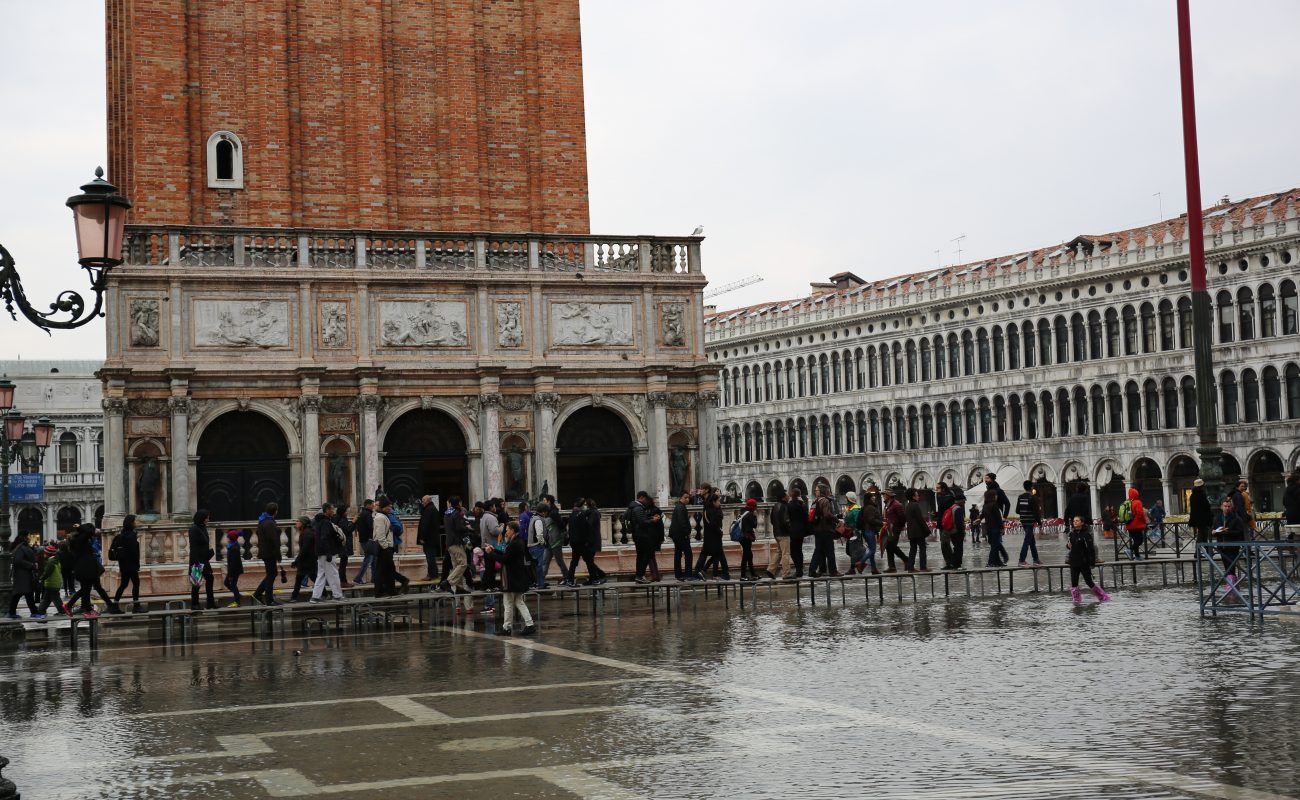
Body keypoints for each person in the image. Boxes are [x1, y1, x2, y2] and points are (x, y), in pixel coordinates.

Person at [483, 521, 536, 636]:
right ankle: (530, 624)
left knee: (508, 603)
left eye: (507, 530)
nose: (506, 532)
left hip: (511, 579)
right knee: (519, 602)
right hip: (516, 577)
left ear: (512, 530)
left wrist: (490, 554)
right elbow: (506, 554)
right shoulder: (517, 542)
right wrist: (493, 550)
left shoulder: (515, 543)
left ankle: (507, 627)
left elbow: (505, 559)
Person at [70, 524, 121, 616]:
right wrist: (80, 527)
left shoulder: (82, 540)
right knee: (86, 589)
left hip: (89, 568)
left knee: (89, 589)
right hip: (87, 569)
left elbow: (89, 533)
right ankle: (83, 608)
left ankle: (89, 607)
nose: (93, 531)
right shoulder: (81, 540)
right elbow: (89, 532)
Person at [1066, 515, 1109, 603]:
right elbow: (1069, 545)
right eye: (1074, 521)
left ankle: (1103, 596)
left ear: (1082, 523)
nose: (1075, 522)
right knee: (1074, 583)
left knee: (1089, 582)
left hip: (1084, 562)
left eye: (1077, 521)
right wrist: (1067, 546)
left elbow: (1091, 549)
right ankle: (1076, 600)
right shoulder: (1071, 534)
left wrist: (1092, 563)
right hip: (1073, 562)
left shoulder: (1086, 534)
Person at [1214, 496, 1248, 604]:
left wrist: (1227, 532)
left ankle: (1231, 588)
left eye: (1229, 506)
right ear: (1221, 507)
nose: (1227, 508)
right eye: (1225, 506)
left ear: (1231, 507)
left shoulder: (1236, 518)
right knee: (1227, 566)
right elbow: (1213, 528)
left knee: (1231, 566)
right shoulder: (1218, 518)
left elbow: (1239, 532)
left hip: (1232, 546)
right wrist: (1214, 532)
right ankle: (1233, 585)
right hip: (1221, 546)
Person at [567, 498, 607, 585]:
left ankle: (595, 577)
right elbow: (585, 528)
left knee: (583, 561)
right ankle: (597, 577)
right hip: (582, 542)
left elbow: (585, 528)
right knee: (587, 561)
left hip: (580, 542)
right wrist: (586, 541)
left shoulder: (575, 514)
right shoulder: (580, 514)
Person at [311, 503, 345, 603]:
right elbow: (324, 538)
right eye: (332, 509)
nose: (333, 512)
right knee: (333, 574)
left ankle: (315, 597)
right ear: (327, 510)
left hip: (321, 552)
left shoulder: (319, 522)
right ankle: (337, 595)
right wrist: (328, 552)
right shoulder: (326, 522)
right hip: (326, 552)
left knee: (321, 574)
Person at [628, 491, 664, 584]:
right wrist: (653, 520)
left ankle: (639, 576)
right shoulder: (638, 508)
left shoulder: (632, 507)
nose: (646, 501)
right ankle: (640, 575)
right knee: (647, 555)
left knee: (641, 556)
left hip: (638, 535)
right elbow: (642, 522)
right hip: (642, 535)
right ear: (642, 498)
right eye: (645, 498)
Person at [110, 516, 143, 613]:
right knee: (136, 583)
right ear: (131, 523)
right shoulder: (131, 535)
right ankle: (136, 606)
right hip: (131, 564)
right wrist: (137, 564)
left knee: (123, 584)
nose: (136, 522)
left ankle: (115, 604)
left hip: (124, 564)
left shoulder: (123, 534)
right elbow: (133, 551)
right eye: (135, 521)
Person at [693, 494, 729, 580]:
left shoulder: (707, 510)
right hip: (714, 536)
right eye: (718, 501)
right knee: (720, 554)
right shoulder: (713, 511)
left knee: (716, 555)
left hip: (709, 536)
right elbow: (714, 524)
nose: (720, 503)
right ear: (713, 502)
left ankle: (703, 571)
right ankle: (725, 574)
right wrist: (720, 531)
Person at [6, 532, 41, 620]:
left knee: (21, 594)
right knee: (25, 593)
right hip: (23, 574)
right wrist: (31, 565)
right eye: (28, 535)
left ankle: (12, 612)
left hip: (23, 574)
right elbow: (18, 560)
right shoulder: (21, 547)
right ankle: (33, 612)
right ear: (25, 537)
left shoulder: (21, 546)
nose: (30, 537)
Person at [253, 503, 282, 606]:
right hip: (270, 553)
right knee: (271, 575)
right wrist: (278, 555)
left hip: (267, 553)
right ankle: (268, 599)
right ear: (275, 511)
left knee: (271, 574)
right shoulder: (269, 523)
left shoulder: (263, 521)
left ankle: (258, 593)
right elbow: (273, 540)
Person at [808, 484, 839, 577]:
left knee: (819, 550)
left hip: (817, 529)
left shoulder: (815, 501)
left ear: (820, 491)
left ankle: (815, 570)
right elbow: (827, 515)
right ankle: (833, 571)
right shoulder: (825, 501)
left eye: (817, 490)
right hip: (825, 529)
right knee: (830, 551)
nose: (815, 491)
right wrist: (836, 520)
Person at [187, 510, 217, 610]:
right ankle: (194, 604)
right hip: (197, 561)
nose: (208, 520)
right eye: (207, 518)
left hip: (204, 560)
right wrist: (196, 563)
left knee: (210, 579)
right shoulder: (194, 529)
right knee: (196, 583)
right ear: (202, 518)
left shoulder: (202, 528)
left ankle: (210, 603)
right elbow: (194, 547)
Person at [882, 486, 910, 572]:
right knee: (888, 546)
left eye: (884, 494)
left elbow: (902, 518)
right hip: (888, 529)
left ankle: (906, 559)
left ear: (889, 495)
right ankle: (892, 566)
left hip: (895, 529)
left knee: (891, 545)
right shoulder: (887, 504)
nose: (883, 496)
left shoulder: (897, 505)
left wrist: (897, 527)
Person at [1015, 481, 1044, 567]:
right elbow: (1036, 512)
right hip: (1030, 521)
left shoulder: (1020, 497)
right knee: (1027, 540)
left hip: (1023, 520)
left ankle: (1036, 559)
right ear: (1031, 487)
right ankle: (1021, 560)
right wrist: (1039, 523)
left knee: (1031, 541)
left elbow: (1017, 510)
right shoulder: (1032, 498)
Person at [373, 499, 397, 597]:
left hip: (386, 548)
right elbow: (380, 535)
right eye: (389, 506)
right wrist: (386, 547)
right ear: (384, 507)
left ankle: (387, 591)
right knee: (385, 570)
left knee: (386, 570)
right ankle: (383, 591)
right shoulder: (380, 517)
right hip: (384, 549)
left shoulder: (384, 516)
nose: (390, 508)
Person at [36, 543, 69, 616]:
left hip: (51, 583)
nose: (44, 554)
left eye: (45, 553)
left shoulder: (50, 562)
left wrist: (41, 579)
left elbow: (47, 573)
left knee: (54, 599)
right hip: (55, 582)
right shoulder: (56, 561)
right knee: (47, 598)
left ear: (47, 554)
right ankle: (41, 610)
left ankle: (62, 611)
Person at [765, 490, 792, 579]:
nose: (789, 497)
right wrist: (790, 528)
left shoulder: (775, 506)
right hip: (784, 533)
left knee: (779, 552)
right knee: (786, 553)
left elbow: (772, 520)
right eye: (787, 495)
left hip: (776, 533)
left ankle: (770, 570)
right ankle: (786, 573)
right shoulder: (784, 506)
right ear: (783, 497)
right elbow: (786, 521)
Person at [289, 516, 316, 602]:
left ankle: (294, 597)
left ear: (303, 523)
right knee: (312, 577)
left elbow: (305, 549)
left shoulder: (307, 533)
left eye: (298, 521)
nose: (296, 523)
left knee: (301, 578)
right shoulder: (306, 532)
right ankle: (324, 593)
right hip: (308, 560)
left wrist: (297, 561)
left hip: (307, 560)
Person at [669, 492, 695, 581]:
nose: (687, 499)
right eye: (685, 497)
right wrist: (687, 532)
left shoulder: (679, 506)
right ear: (681, 498)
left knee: (678, 554)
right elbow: (682, 521)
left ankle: (678, 574)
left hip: (676, 534)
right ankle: (688, 574)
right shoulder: (681, 507)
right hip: (681, 534)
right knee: (688, 554)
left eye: (688, 497)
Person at [904, 488, 929, 572]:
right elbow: (920, 519)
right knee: (922, 548)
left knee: (913, 549)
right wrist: (927, 530)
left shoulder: (908, 506)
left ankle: (910, 567)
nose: (918, 496)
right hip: (918, 531)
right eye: (917, 495)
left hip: (911, 531)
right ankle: (923, 566)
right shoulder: (915, 505)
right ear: (913, 497)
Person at [416, 494, 441, 581]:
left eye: (423, 501)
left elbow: (425, 525)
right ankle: (434, 573)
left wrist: (422, 537)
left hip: (429, 538)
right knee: (431, 557)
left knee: (430, 557)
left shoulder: (429, 510)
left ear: (427, 501)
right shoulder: (432, 509)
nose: (422, 503)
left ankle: (432, 575)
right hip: (432, 538)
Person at [353, 498, 376, 585]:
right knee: (368, 559)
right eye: (372, 504)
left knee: (373, 558)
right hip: (367, 540)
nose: (373, 506)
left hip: (364, 539)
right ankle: (357, 579)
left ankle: (374, 578)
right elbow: (371, 527)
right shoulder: (367, 514)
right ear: (368, 505)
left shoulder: (362, 513)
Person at [786, 487, 808, 578]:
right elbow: (806, 517)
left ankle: (798, 570)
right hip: (801, 530)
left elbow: (787, 517)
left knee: (793, 551)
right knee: (799, 550)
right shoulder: (802, 504)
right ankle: (800, 570)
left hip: (793, 530)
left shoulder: (789, 505)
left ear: (792, 495)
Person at [982, 490, 1007, 568]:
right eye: (995, 495)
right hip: (995, 528)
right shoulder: (994, 505)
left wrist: (979, 518)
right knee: (994, 546)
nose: (996, 497)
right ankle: (991, 562)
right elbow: (998, 518)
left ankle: (998, 562)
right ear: (992, 496)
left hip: (989, 528)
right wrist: (1002, 528)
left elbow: (982, 515)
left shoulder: (985, 506)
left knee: (995, 545)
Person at [1121, 488, 1147, 560]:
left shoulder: (1127, 502)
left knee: (1135, 541)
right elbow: (1140, 514)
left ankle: (1137, 556)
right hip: (1137, 525)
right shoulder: (1137, 502)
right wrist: (1144, 521)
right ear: (1136, 494)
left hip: (1129, 525)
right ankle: (1129, 550)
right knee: (1140, 540)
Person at [737, 498, 759, 580]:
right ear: (753, 506)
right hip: (746, 537)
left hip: (742, 537)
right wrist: (755, 516)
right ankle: (743, 576)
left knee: (749, 555)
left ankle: (753, 574)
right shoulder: (750, 514)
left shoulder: (742, 512)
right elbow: (754, 525)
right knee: (746, 556)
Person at [223, 530, 245, 607]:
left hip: (234, 570)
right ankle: (238, 596)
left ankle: (237, 601)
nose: (227, 539)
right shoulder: (232, 546)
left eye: (228, 537)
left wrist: (230, 574)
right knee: (228, 583)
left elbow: (233, 563)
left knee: (232, 584)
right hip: (233, 570)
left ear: (231, 538)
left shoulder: (234, 548)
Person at [335, 504, 355, 588]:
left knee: (343, 563)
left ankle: (343, 581)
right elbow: (347, 530)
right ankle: (343, 581)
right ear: (343, 512)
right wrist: (353, 522)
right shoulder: (342, 520)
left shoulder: (341, 519)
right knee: (343, 564)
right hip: (344, 545)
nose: (347, 513)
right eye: (346, 511)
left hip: (343, 545)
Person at [1284, 471, 1300, 540]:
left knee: (1292, 533)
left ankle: (1291, 548)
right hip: (1298, 514)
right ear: (1297, 480)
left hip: (1289, 514)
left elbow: (1284, 502)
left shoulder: (1287, 490)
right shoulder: (1298, 490)